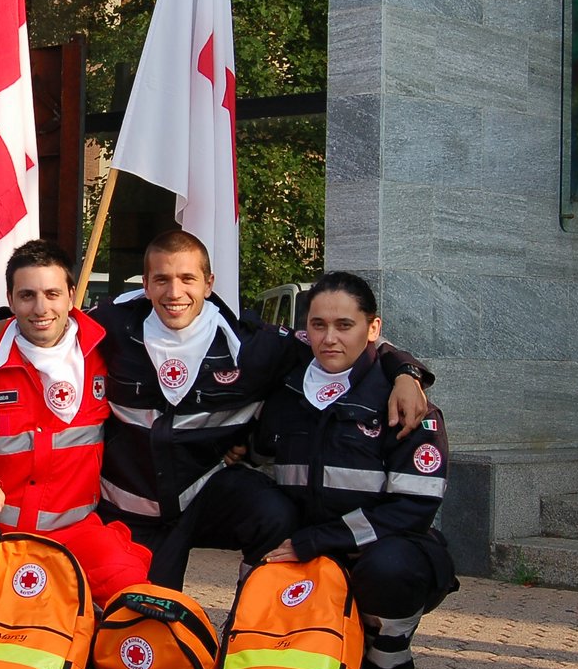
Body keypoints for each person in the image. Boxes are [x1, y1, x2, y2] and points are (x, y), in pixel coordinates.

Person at [88, 230, 431, 589]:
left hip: (205, 496)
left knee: (274, 512)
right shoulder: (109, 326)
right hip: (130, 509)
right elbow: (48, 332)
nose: (174, 293)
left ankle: (251, 618)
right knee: (142, 627)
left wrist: (406, 372)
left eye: (187, 278)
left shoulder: (252, 344)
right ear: (145, 284)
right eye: (162, 279)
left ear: (209, 284)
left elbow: (347, 344)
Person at [257, 271, 456, 669]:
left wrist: (405, 373)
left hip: (378, 551)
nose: (329, 338)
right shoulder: (286, 390)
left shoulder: (403, 401)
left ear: (373, 328)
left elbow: (414, 508)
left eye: (344, 325)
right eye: (318, 325)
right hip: (306, 549)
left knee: (392, 567)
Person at [0, 239, 152, 606]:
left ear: (72, 295)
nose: (41, 308)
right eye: (27, 295)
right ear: (10, 301)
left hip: (77, 531)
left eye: (52, 293)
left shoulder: (106, 350)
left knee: (134, 597)